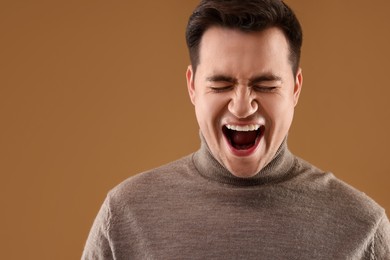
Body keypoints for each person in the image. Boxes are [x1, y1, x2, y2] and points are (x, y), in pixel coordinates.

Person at [82, 0, 390, 259]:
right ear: (192, 86)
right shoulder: (124, 215)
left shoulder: (362, 226)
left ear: (295, 89)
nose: (242, 107)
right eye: (221, 84)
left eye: (266, 84)